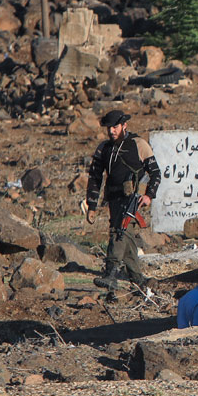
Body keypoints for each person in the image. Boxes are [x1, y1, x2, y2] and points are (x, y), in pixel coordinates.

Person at [85, 109, 162, 292]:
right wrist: (92, 205)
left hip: (132, 199)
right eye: (109, 128)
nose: (112, 131)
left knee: (118, 231)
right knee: (125, 236)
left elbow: (156, 173)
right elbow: (95, 177)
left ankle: (111, 274)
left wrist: (149, 195)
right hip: (113, 199)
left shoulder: (139, 144)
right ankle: (138, 279)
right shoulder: (103, 148)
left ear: (124, 125)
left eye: (115, 127)